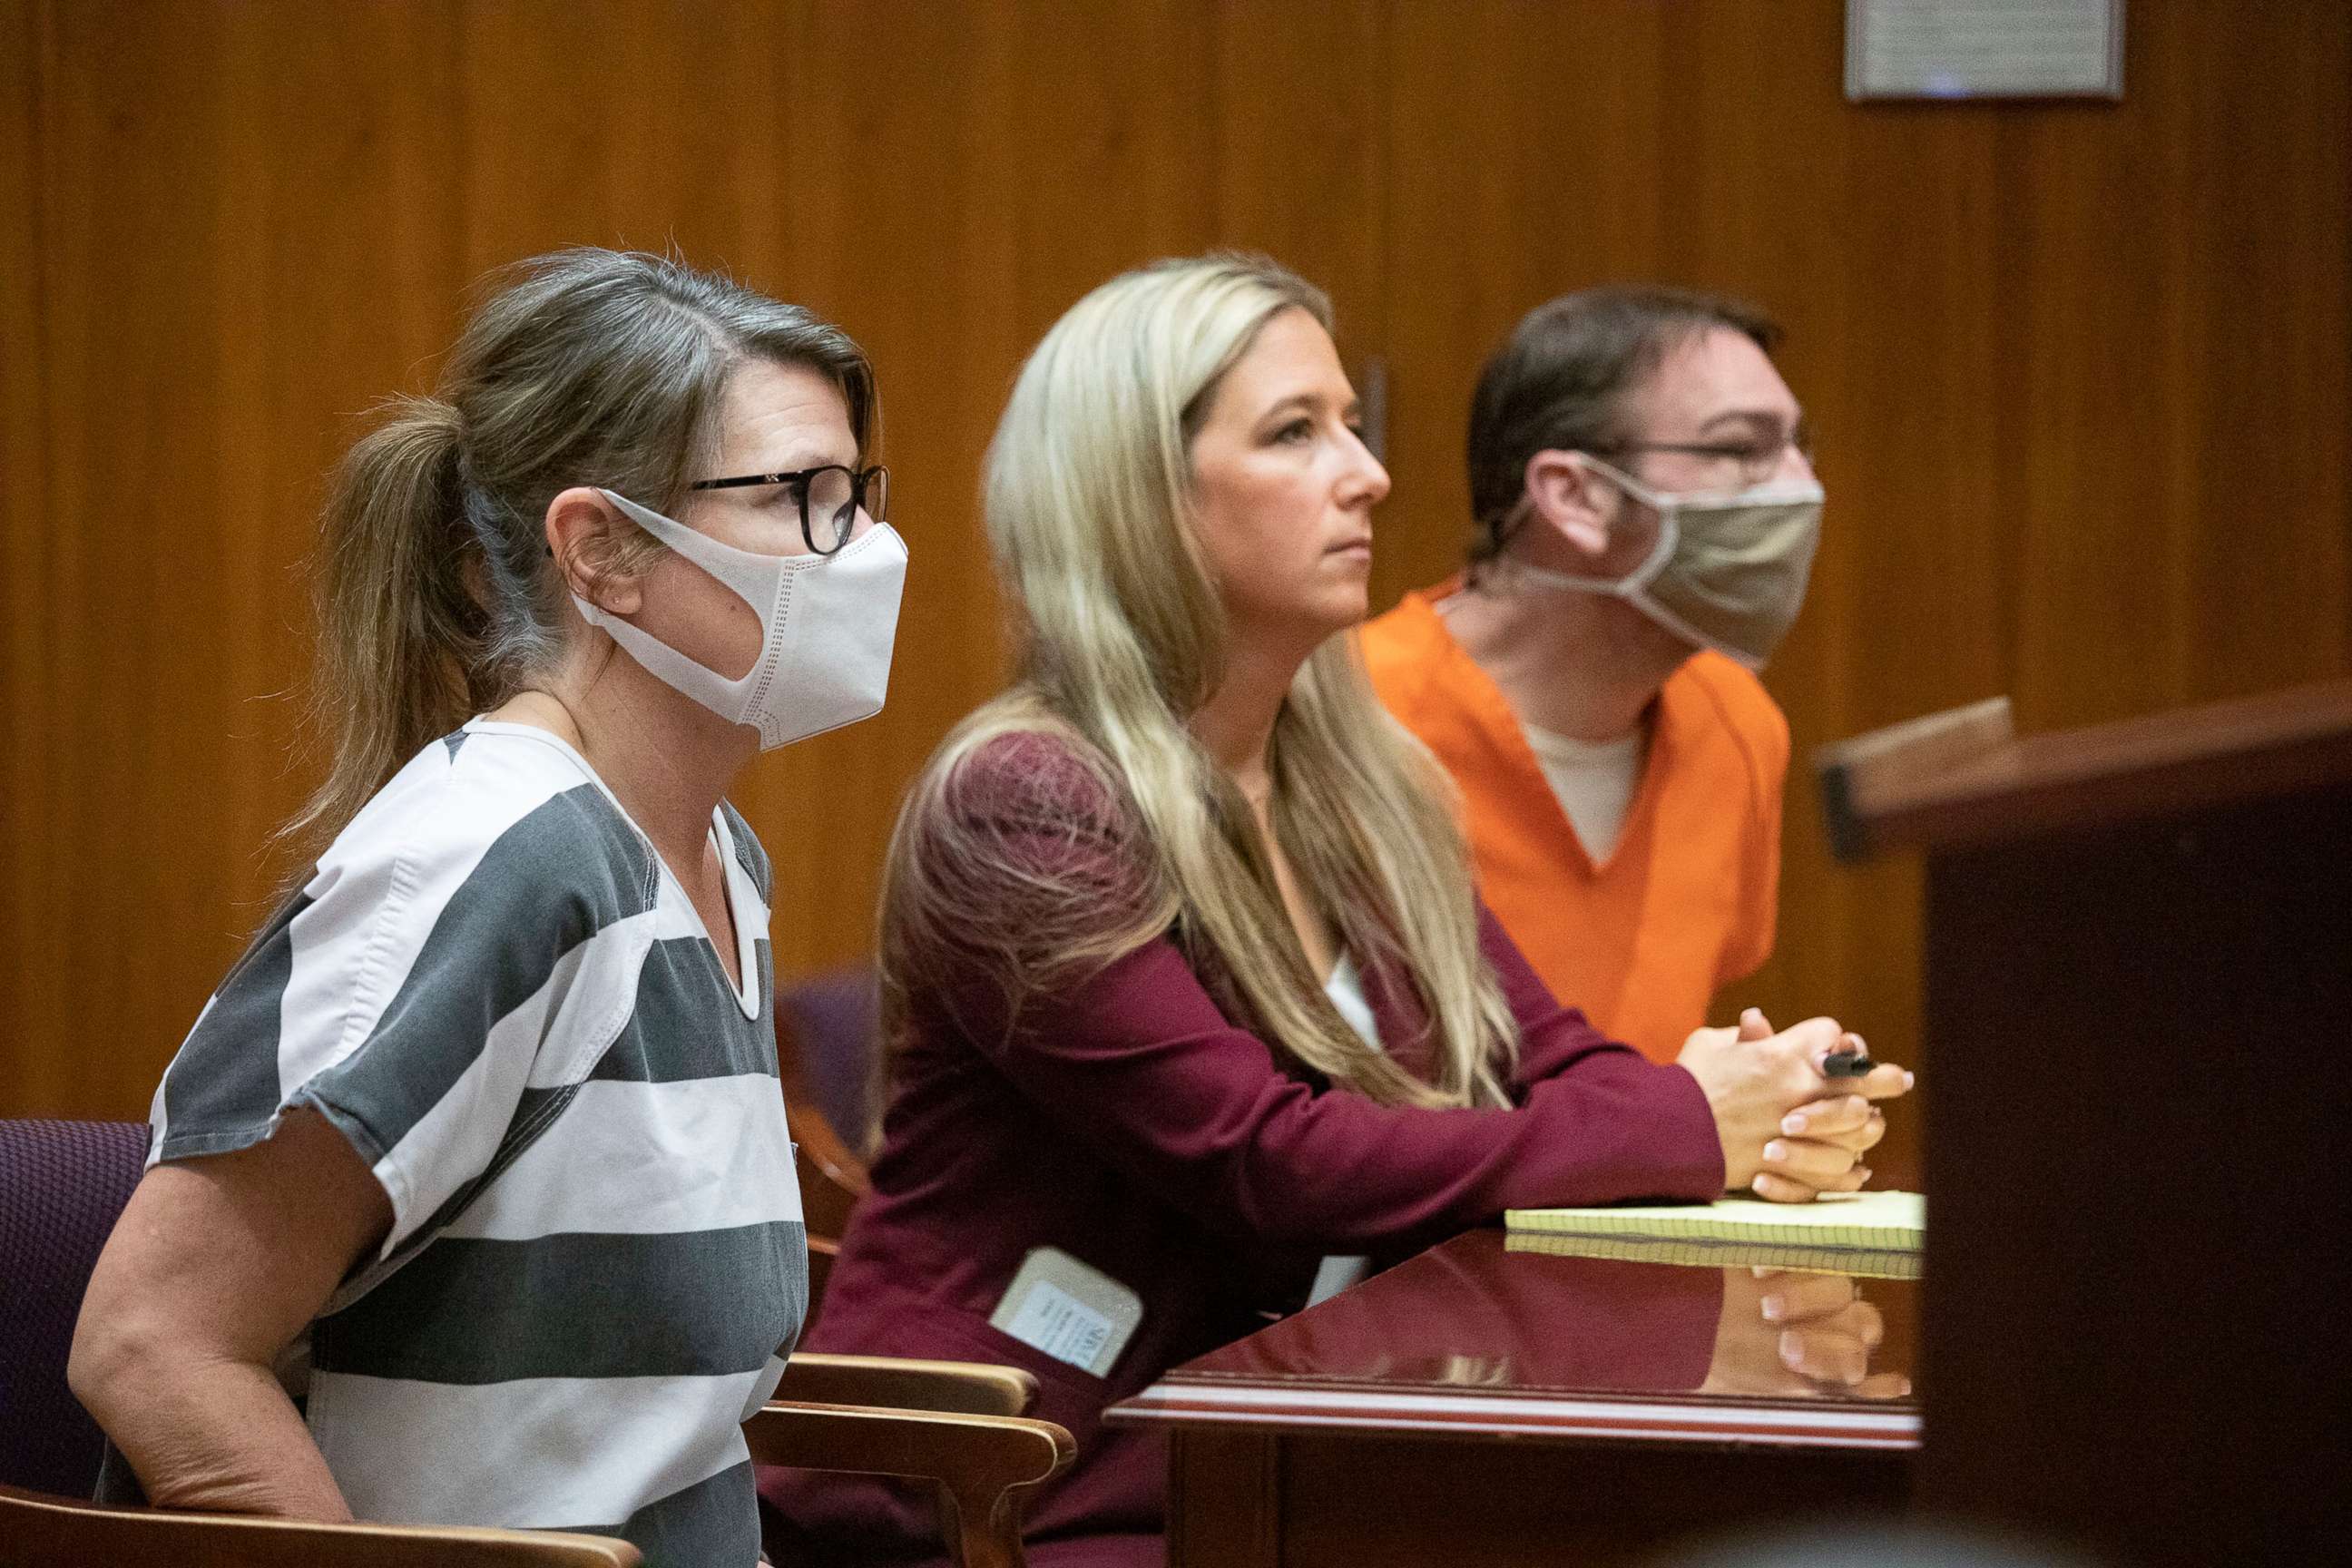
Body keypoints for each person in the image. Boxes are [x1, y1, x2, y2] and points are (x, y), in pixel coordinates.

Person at [758, 256, 1906, 1568]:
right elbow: (1272, 1164)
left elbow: (1546, 1051)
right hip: (1011, 1486)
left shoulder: (1362, 782)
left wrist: (1761, 1108)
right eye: (1296, 433)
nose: (1367, 475)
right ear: (1142, 496)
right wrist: (1688, 1125)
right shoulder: (1025, 800)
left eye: (1351, 426)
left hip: (1273, 1442)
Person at [68, 248, 908, 1568]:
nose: (860, 550)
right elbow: (156, 1345)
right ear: (605, 549)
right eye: (800, 496)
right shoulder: (498, 858)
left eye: (857, 493)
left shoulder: (716, 856)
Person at [1359, 288, 1819, 1064]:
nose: (1801, 487)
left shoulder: (1739, 725)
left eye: (1802, 447)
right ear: (1575, 496)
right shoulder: (1342, 717)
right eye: (1744, 450)